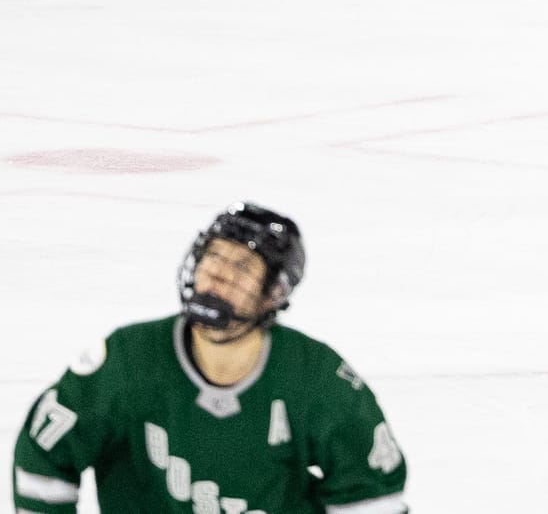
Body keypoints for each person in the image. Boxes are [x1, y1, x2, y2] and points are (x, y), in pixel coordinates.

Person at [11, 203, 410, 514]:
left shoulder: (316, 378)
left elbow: (372, 494)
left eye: (242, 268)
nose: (219, 275)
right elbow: (44, 455)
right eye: (213, 258)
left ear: (273, 293)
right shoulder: (128, 361)